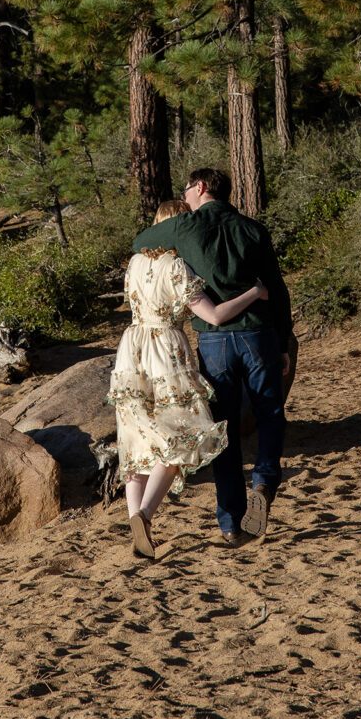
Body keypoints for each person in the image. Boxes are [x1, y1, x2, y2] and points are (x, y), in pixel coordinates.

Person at [132, 169, 292, 547]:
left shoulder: (185, 226)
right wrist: (283, 342)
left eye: (186, 191)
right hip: (258, 334)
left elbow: (141, 241)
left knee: (224, 429)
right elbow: (277, 288)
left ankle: (230, 523)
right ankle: (265, 482)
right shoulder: (253, 229)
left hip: (215, 342)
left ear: (200, 188)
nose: (184, 197)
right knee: (270, 414)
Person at [109, 199, 269, 559]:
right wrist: (254, 293)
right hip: (166, 349)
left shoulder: (134, 263)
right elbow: (212, 315)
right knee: (182, 436)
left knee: (135, 438)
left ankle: (136, 518)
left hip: (132, 348)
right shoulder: (176, 266)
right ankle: (145, 516)